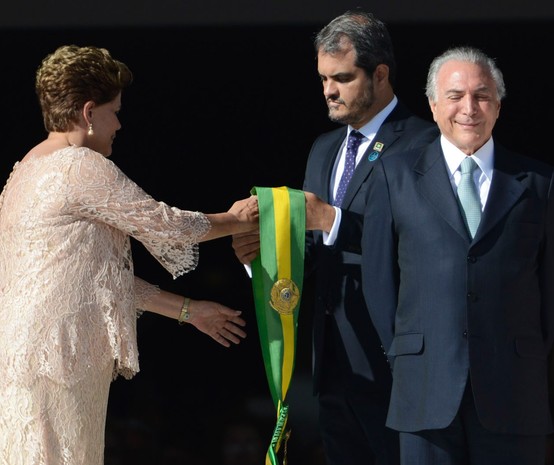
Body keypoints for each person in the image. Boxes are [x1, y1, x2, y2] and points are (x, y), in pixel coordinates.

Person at [0, 44, 258, 465]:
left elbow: (94, 282)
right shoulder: (77, 166)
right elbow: (165, 224)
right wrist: (236, 219)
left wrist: (189, 311)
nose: (119, 123)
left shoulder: (24, 171)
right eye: (114, 110)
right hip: (59, 361)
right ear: (88, 113)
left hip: (30, 361)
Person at [232, 10, 438, 465]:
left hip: (395, 365)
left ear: (379, 74)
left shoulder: (424, 144)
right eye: (323, 78)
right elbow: (312, 250)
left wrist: (332, 220)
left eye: (342, 78)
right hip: (331, 366)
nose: (328, 90)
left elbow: (425, 247)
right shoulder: (324, 148)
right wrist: (262, 255)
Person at [361, 45, 554, 465]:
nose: (469, 108)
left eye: (482, 95)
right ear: (434, 106)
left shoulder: (538, 182)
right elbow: (379, 283)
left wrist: (517, 353)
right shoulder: (394, 176)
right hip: (424, 391)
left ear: (498, 105)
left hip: (513, 392)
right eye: (455, 96)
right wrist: (410, 353)